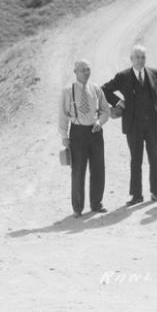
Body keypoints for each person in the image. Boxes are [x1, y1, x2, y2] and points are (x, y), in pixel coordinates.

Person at [102, 45, 157, 206]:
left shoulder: (154, 74)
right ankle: (136, 195)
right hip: (133, 125)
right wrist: (119, 102)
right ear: (131, 59)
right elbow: (105, 90)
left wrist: (152, 105)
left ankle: (156, 192)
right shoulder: (123, 76)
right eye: (137, 57)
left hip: (152, 124)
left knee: (154, 157)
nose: (140, 60)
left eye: (143, 57)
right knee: (136, 159)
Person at [59, 59, 110, 217]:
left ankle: (96, 203)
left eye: (88, 69)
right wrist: (64, 137)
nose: (86, 73)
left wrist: (99, 122)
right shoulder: (68, 91)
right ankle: (77, 207)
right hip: (78, 133)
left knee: (98, 169)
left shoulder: (96, 88)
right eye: (82, 70)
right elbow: (62, 116)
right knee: (78, 170)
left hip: (95, 133)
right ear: (75, 72)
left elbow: (105, 110)